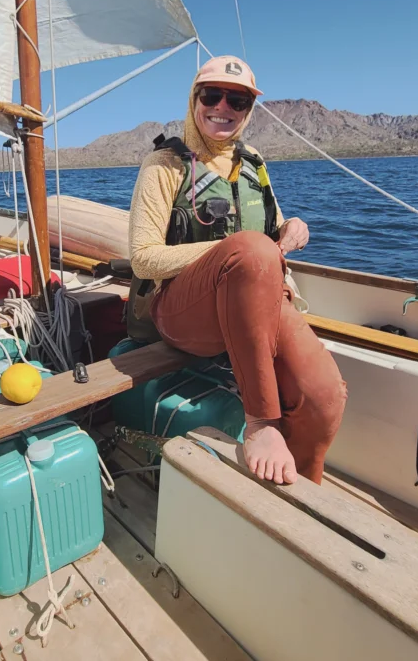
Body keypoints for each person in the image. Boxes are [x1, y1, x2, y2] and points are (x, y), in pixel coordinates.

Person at [127, 55, 347, 486]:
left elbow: (272, 227)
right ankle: (262, 424)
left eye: (239, 100)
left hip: (253, 299)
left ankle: (301, 496)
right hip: (182, 313)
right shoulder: (164, 166)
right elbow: (143, 258)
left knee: (325, 397)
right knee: (249, 250)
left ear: (248, 110)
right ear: (194, 99)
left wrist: (291, 229)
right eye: (212, 95)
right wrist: (229, 252)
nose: (223, 107)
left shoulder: (254, 163)